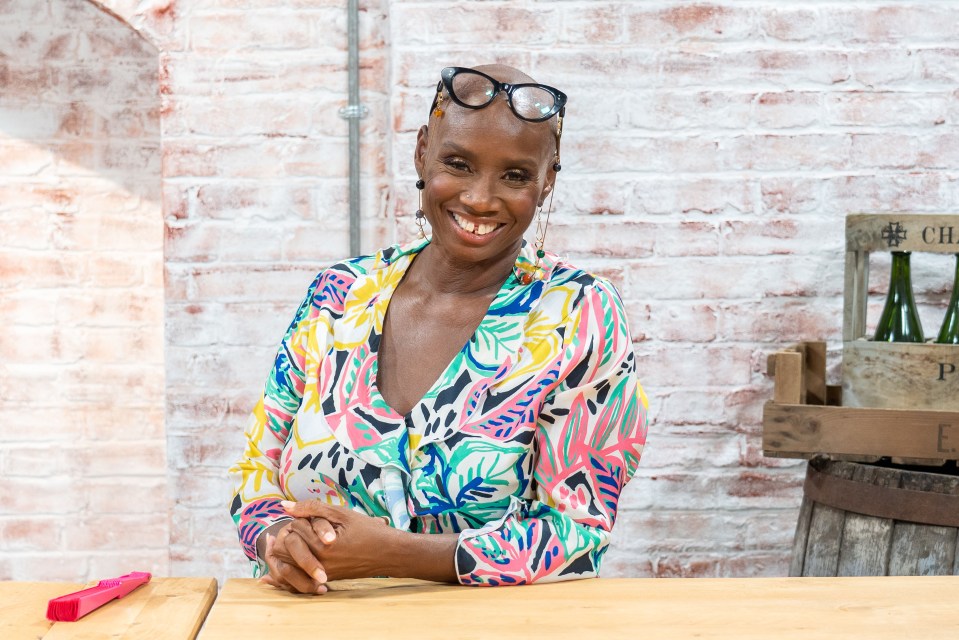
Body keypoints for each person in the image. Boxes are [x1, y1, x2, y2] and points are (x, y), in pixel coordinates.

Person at [228, 64, 648, 593]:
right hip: (313, 620)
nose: (479, 198)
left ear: (547, 183)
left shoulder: (578, 312)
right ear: (422, 152)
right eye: (459, 163)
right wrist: (274, 540)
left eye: (515, 175)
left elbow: (578, 531)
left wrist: (401, 555)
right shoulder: (340, 293)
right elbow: (254, 472)